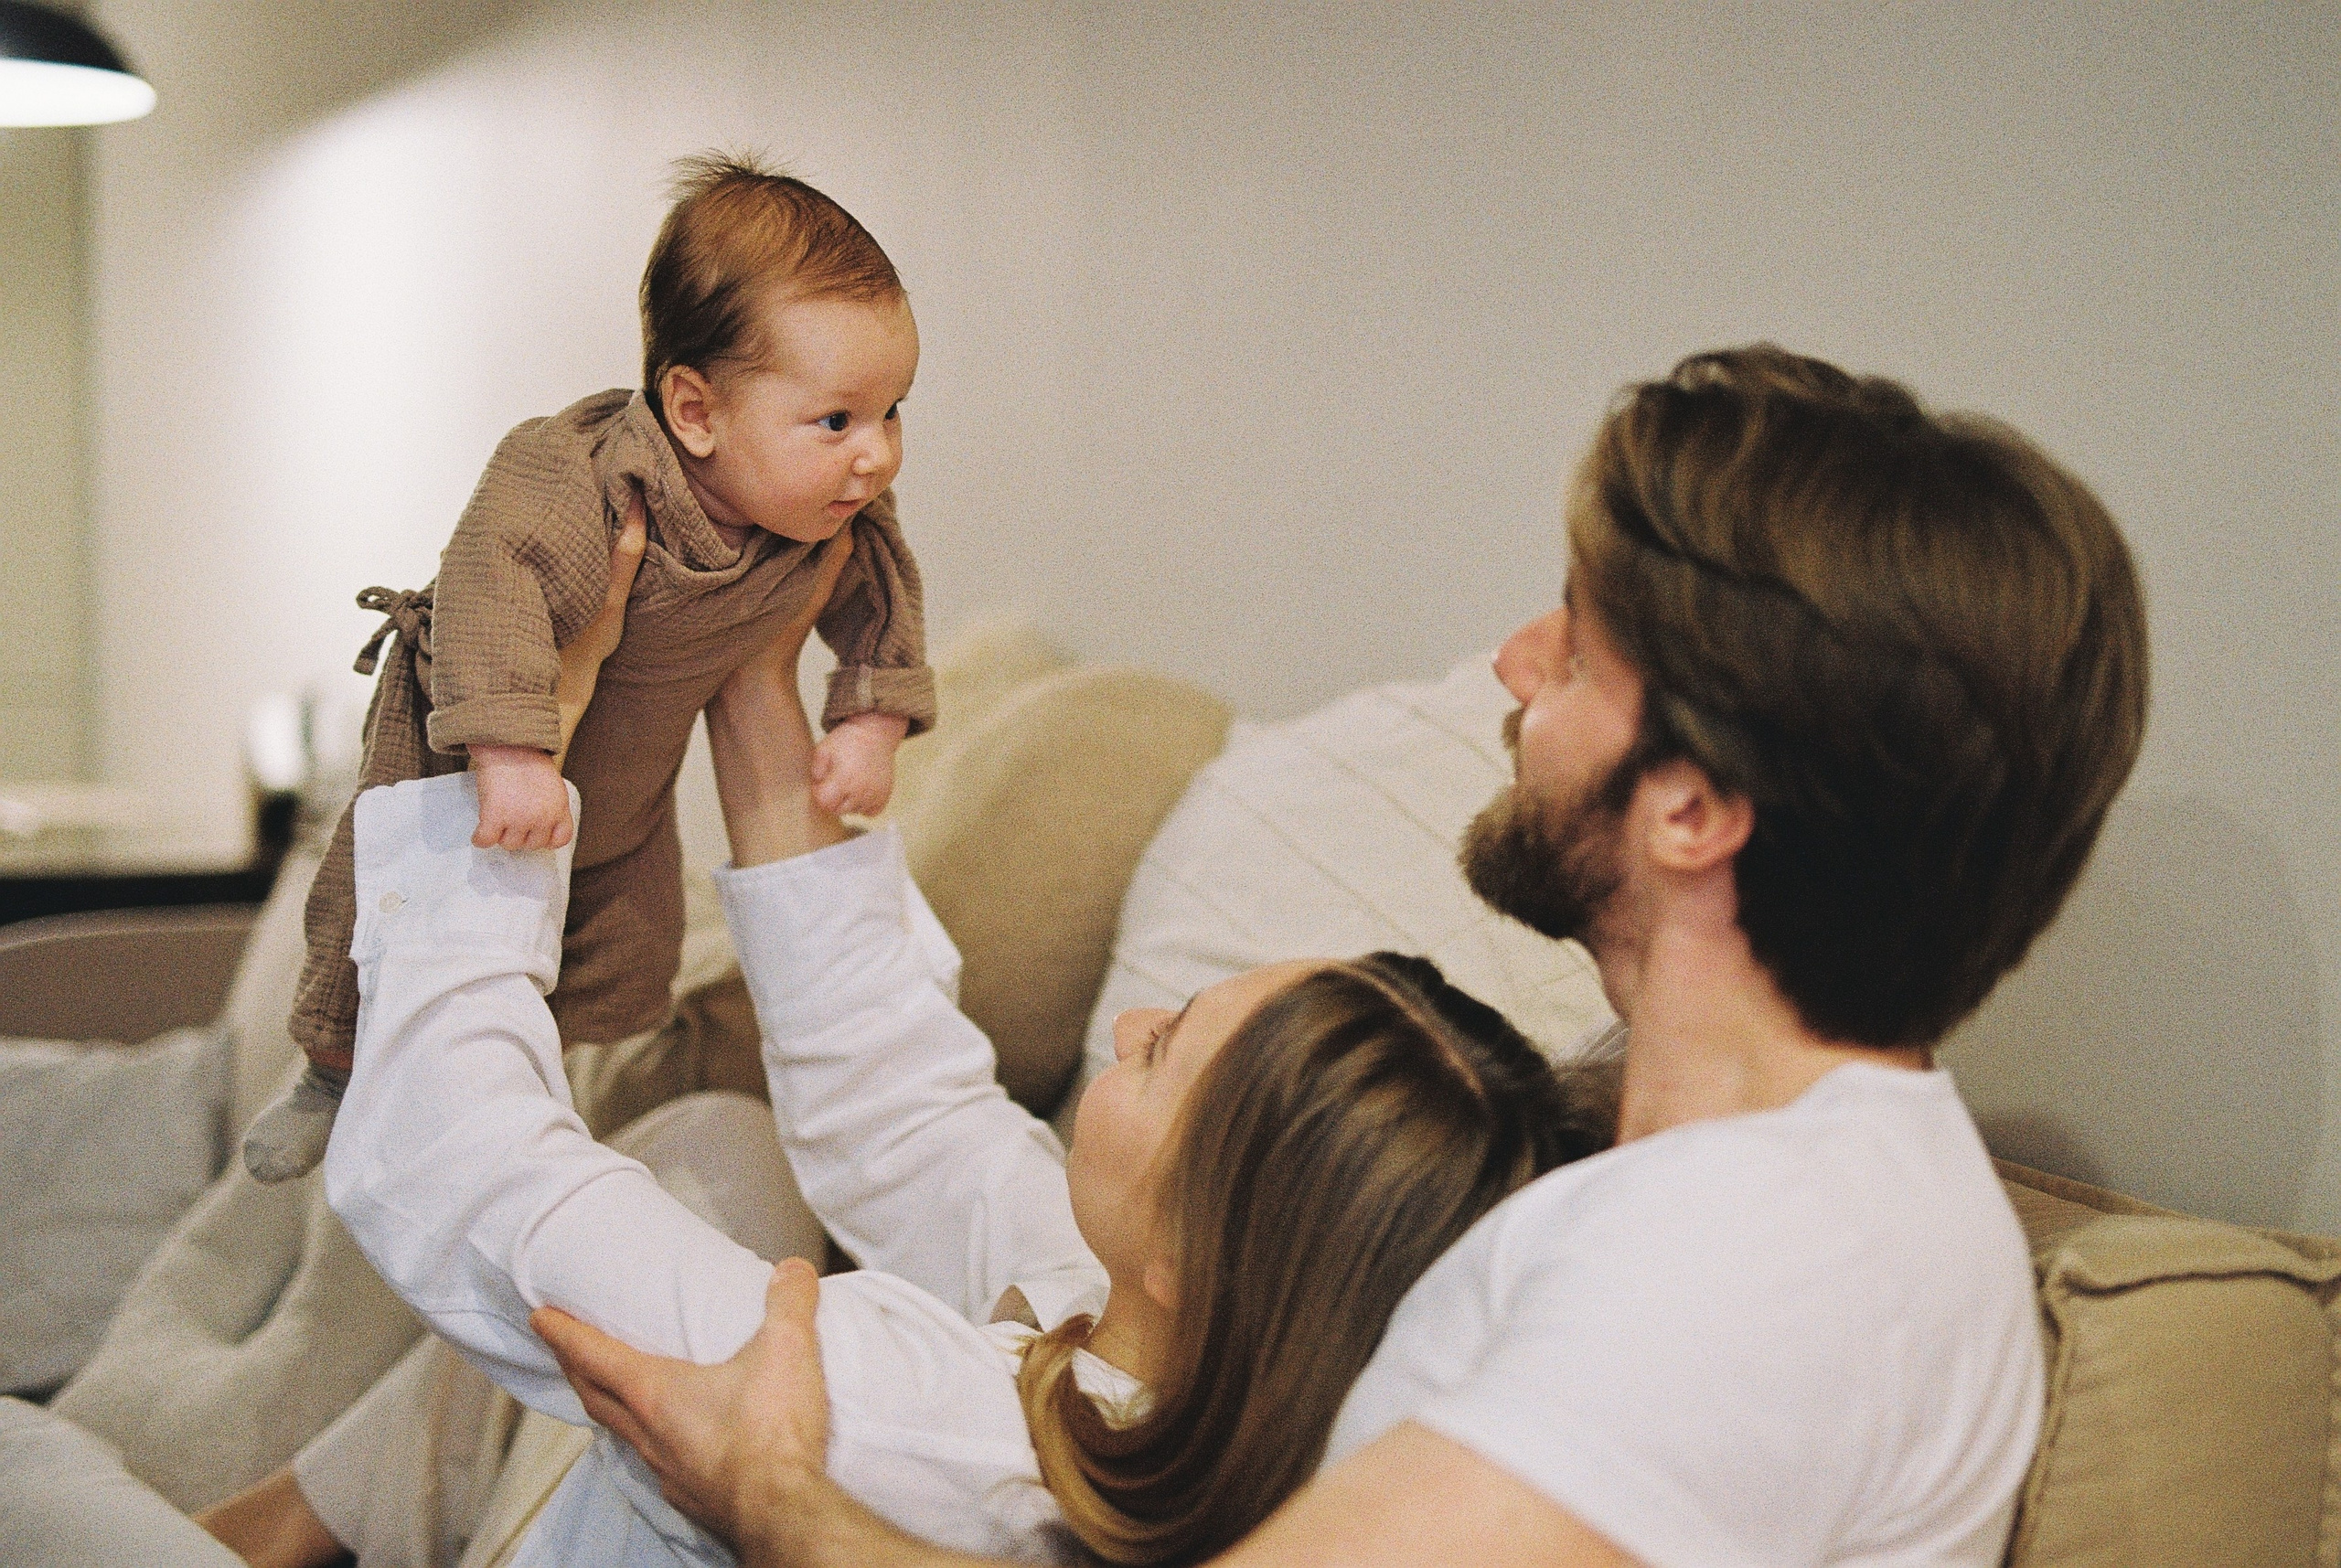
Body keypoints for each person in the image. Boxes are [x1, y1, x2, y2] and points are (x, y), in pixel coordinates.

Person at [537, 344, 2152, 1567]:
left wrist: (771, 1498)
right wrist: (747, 665)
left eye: (1577, 646)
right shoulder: (1714, 1177)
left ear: (1694, 811)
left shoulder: (1745, 1278)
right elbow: (956, 1154)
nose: (1512, 667)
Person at [299, 536, 1619, 1566]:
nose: (1127, 1022)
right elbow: (904, 1105)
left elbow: (460, 1163)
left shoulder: (896, 1414)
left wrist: (480, 742)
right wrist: (754, 675)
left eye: (1165, 1055)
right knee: (715, 1140)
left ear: (1199, 1247)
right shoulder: (1139, 1360)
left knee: (74, 1490)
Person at [244, 151, 935, 1184]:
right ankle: (334, 1068)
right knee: (371, 912)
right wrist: (512, 747)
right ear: (694, 412)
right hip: (465, 754)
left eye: (892, 411)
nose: (875, 453)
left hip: (625, 790)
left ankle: (529, 1084)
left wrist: (869, 720)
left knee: (617, 945)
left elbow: (883, 594)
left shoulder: (828, 517)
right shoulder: (581, 474)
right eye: (837, 419)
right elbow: (494, 577)